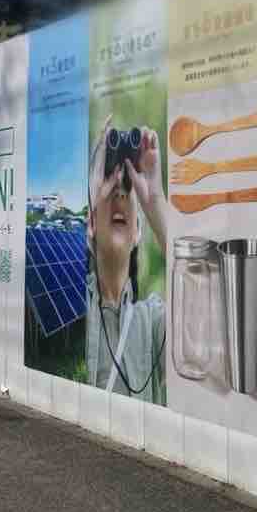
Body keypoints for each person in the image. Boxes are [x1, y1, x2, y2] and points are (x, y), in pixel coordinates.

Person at [84, 116, 169, 404]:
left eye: (127, 187)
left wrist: (155, 201)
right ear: (90, 222)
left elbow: (206, 326)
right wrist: (91, 194)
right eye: (110, 183)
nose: (120, 191)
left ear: (138, 232)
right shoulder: (74, 310)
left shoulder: (153, 321)